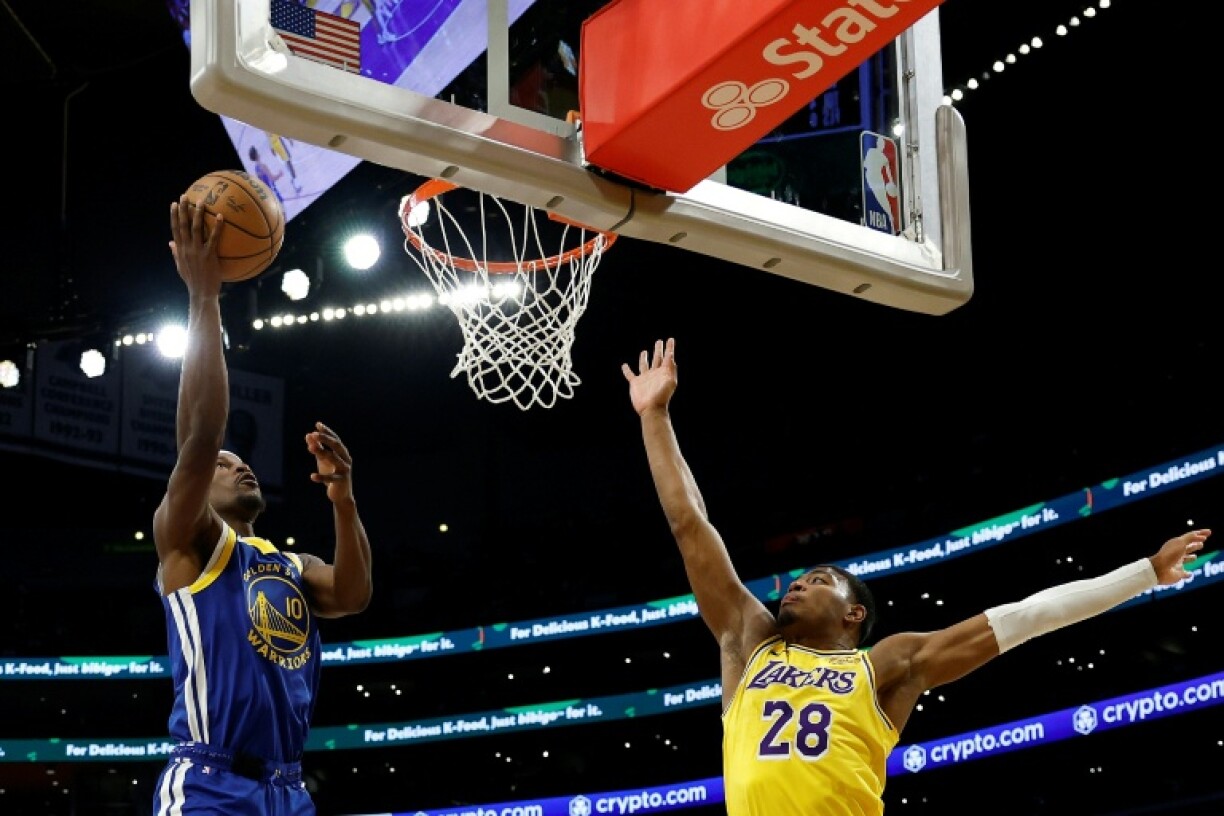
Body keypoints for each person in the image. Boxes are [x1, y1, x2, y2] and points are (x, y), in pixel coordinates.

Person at [621, 337, 1208, 816]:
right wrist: (655, 416)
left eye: (822, 579)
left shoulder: (885, 665)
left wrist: (1146, 573)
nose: (799, 582)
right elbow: (690, 523)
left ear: (855, 614)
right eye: (802, 577)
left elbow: (1023, 618)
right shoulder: (750, 643)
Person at [152, 197, 374, 814]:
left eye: (241, 460)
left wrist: (344, 499)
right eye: (224, 465)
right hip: (208, 782)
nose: (238, 462)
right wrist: (204, 299)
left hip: (288, 788)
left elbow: (353, 595)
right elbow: (201, 433)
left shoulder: (291, 565)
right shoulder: (189, 541)